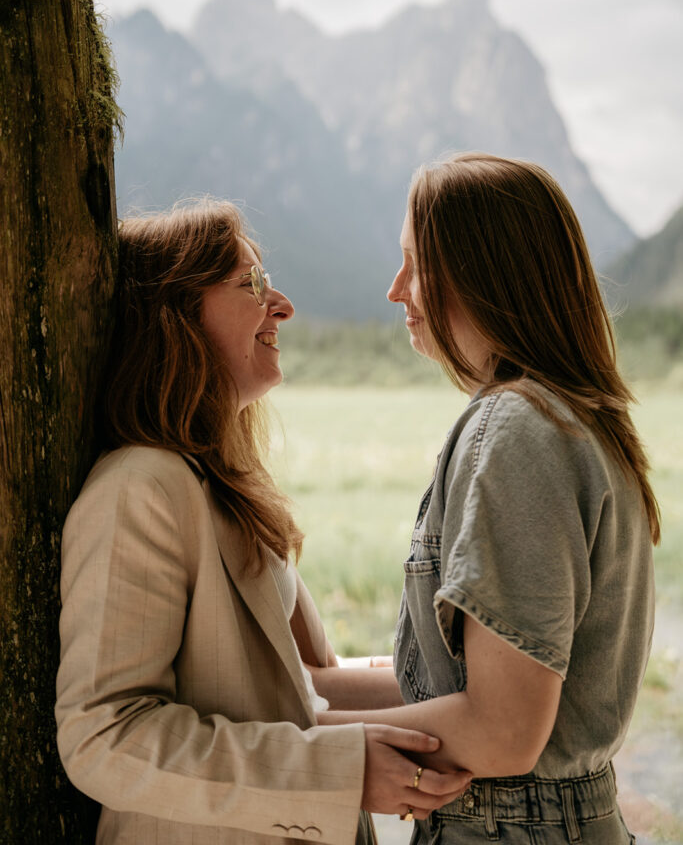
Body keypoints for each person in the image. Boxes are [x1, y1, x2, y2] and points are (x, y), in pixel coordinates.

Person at [55, 201, 471, 845]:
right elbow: (105, 736)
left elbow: (302, 690)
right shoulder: (140, 489)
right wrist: (339, 773)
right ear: (174, 316)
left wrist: (489, 689)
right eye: (249, 282)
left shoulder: (214, 487)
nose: (281, 304)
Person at [313, 154, 659, 843]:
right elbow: (451, 693)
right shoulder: (569, 418)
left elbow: (500, 731)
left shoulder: (517, 430)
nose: (393, 290)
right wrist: (278, 694)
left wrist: (295, 743)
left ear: (482, 271)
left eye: (415, 264)